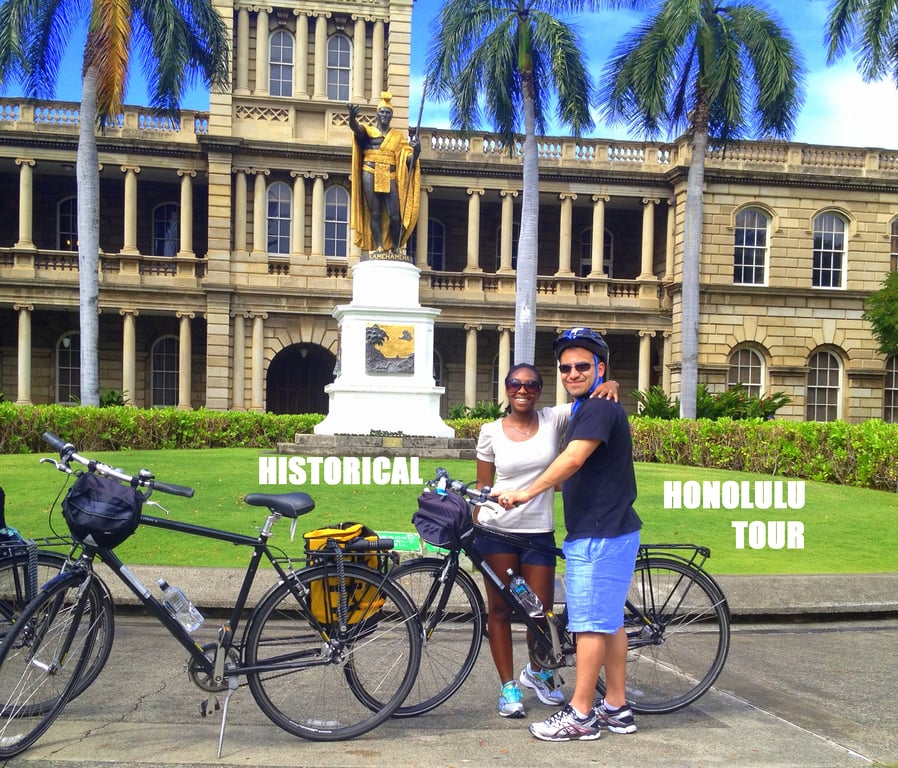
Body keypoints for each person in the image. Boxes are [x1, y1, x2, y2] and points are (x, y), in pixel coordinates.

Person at [498, 328, 641, 741]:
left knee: (591, 626)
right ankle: (616, 707)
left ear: (600, 368)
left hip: (599, 533)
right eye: (566, 367)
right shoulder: (588, 406)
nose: (572, 373)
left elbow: (574, 459)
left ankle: (580, 715)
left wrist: (526, 492)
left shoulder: (597, 409)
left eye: (583, 366)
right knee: (609, 623)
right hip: (606, 529)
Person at [475, 363, 619, 719]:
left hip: (538, 530)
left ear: (539, 390)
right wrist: (476, 519)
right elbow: (483, 488)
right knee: (500, 611)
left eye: (530, 385)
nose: (522, 390)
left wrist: (611, 381)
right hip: (498, 532)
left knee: (539, 613)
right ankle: (508, 686)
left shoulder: (554, 419)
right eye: (514, 384)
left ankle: (539, 672)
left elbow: (590, 396)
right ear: (506, 389)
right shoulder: (490, 431)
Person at [348, 92, 421, 258]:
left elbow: (408, 162)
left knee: (395, 216)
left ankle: (395, 247)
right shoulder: (368, 132)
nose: (384, 115)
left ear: (391, 116)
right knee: (374, 213)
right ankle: (379, 246)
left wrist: (416, 152)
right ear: (377, 114)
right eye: (382, 112)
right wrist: (352, 119)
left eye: (388, 113)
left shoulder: (397, 137)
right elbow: (357, 130)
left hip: (390, 174)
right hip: (370, 171)